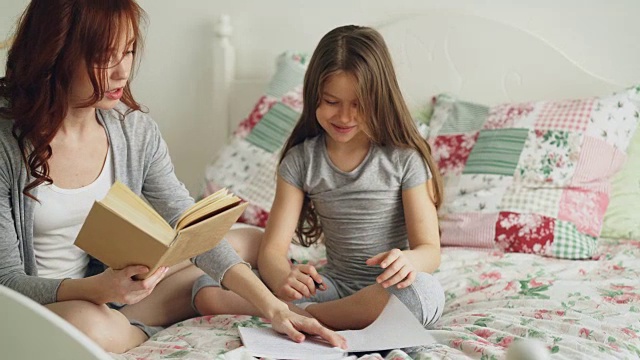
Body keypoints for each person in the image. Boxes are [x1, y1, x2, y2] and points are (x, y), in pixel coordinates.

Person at [0, 0, 345, 354]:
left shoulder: (133, 131)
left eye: (130, 51)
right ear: (55, 52)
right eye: (105, 57)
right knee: (82, 324)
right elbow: (6, 282)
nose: (123, 73)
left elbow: (189, 223)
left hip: (114, 292)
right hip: (45, 305)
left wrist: (275, 309)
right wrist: (94, 290)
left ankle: (186, 298)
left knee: (247, 240)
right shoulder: (5, 144)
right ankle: (143, 327)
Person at [195, 25, 446, 331]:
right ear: (314, 96)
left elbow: (429, 251)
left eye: (358, 104)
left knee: (423, 293)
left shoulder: (404, 159)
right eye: (331, 102)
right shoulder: (302, 161)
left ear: (380, 98)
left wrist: (409, 262)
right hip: (333, 288)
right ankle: (315, 312)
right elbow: (272, 251)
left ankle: (301, 316)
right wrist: (284, 276)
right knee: (207, 285)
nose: (344, 117)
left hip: (392, 287)